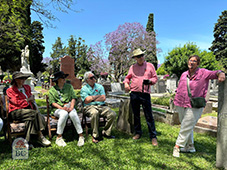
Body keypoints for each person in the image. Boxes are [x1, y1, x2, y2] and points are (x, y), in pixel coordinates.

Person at [172, 55, 226, 157]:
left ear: (198, 63)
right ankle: (190, 146)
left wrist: (221, 73)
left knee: (185, 126)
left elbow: (215, 73)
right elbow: (180, 87)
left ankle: (177, 146)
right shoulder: (184, 74)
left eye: (194, 61)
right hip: (180, 103)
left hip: (195, 105)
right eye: (190, 60)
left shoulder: (203, 73)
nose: (191, 62)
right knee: (187, 126)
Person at [123, 48, 158, 146]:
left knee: (149, 115)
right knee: (136, 115)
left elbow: (155, 78)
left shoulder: (150, 66)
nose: (141, 57)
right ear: (135, 58)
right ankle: (138, 132)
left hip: (145, 93)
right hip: (134, 93)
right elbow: (127, 77)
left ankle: (153, 136)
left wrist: (150, 81)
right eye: (138, 56)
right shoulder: (132, 67)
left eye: (142, 55)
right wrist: (126, 84)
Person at [6, 71, 51, 147]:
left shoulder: (27, 87)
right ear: (16, 80)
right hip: (16, 111)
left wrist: (31, 99)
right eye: (21, 79)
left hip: (28, 111)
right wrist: (27, 100)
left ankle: (26, 142)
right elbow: (15, 102)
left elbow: (31, 98)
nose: (23, 80)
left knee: (29, 119)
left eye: (24, 78)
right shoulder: (10, 90)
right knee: (34, 113)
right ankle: (40, 135)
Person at [49, 71, 84, 147]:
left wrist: (71, 107)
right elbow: (52, 103)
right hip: (58, 108)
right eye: (62, 77)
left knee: (73, 114)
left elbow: (73, 98)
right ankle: (59, 137)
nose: (64, 79)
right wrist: (62, 108)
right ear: (57, 79)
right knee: (64, 114)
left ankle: (81, 136)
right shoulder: (52, 90)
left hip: (69, 106)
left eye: (64, 77)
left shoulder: (69, 87)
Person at [80, 71, 116, 143]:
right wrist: (97, 97)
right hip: (89, 107)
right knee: (94, 113)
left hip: (101, 106)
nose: (94, 79)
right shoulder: (84, 89)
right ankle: (95, 135)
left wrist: (92, 98)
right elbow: (86, 100)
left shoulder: (100, 87)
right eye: (91, 78)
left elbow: (103, 98)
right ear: (87, 80)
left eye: (94, 77)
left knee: (112, 114)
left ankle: (106, 132)